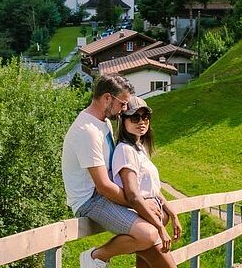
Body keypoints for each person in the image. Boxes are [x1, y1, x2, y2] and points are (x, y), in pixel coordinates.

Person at [61, 74, 175, 268]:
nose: (124, 110)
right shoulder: (87, 131)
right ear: (107, 98)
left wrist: (145, 202)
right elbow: (103, 187)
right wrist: (141, 204)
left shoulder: (103, 123)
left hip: (106, 196)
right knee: (148, 234)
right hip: (90, 200)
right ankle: (96, 256)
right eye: (122, 103)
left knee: (156, 224)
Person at [112, 96, 182, 267]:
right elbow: (133, 195)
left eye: (145, 117)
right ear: (123, 120)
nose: (142, 122)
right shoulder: (125, 150)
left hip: (150, 222)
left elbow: (150, 189)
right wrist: (160, 228)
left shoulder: (139, 148)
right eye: (135, 117)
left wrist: (171, 212)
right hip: (144, 225)